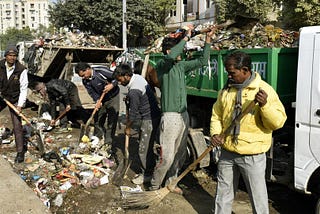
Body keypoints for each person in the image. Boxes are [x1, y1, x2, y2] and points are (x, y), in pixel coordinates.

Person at [210, 51, 287, 214]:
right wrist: (216, 134)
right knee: (223, 194)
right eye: (228, 72)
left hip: (252, 155)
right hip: (227, 152)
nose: (229, 76)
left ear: (245, 70)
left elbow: (278, 122)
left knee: (258, 198)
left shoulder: (264, 90)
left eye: (232, 73)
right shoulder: (226, 90)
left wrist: (265, 105)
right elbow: (216, 114)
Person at [149, 24, 216, 193]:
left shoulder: (181, 67)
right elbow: (173, 56)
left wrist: (208, 40)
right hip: (170, 117)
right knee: (167, 156)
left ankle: (171, 183)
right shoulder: (163, 65)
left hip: (183, 115)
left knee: (179, 155)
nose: (182, 53)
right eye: (178, 50)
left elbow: (202, 61)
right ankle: (154, 186)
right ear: (168, 52)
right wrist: (186, 37)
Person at [113, 63, 161, 185]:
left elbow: (133, 114)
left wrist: (128, 128)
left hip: (149, 119)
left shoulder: (134, 90)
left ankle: (147, 175)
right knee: (147, 144)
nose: (119, 83)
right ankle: (152, 166)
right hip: (153, 115)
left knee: (143, 149)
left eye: (120, 80)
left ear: (127, 76)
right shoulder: (138, 78)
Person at [74, 62, 119, 150]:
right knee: (98, 119)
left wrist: (112, 85)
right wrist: (97, 100)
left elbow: (117, 77)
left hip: (113, 97)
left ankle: (108, 143)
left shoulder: (101, 71)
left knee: (112, 120)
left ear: (87, 69)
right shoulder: (85, 81)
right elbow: (92, 92)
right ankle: (98, 138)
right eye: (81, 77)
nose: (83, 78)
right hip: (102, 98)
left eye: (83, 75)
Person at [0, 45, 29, 163]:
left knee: (17, 125)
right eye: (10, 55)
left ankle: (20, 152)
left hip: (15, 98)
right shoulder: (0, 66)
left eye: (14, 56)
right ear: (5, 56)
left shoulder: (21, 69)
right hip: (1, 95)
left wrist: (20, 105)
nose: (12, 58)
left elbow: (24, 88)